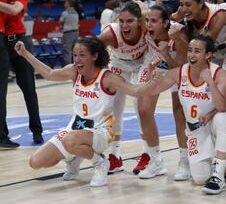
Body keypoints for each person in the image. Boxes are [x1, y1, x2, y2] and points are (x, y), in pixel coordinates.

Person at [14, 37, 151, 187]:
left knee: (70, 140)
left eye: (82, 55)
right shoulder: (74, 71)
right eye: (75, 55)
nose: (77, 59)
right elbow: (49, 73)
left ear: (95, 56)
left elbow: (136, 91)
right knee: (36, 162)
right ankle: (74, 159)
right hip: (76, 129)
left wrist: (153, 78)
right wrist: (25, 53)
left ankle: (100, 163)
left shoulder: (108, 78)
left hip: (101, 132)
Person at [146, 35, 226, 194]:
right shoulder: (179, 73)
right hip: (196, 130)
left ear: (208, 55)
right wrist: (151, 74)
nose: (191, 55)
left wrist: (211, 83)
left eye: (197, 51)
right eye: (190, 51)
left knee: (222, 117)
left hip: (216, 125)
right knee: (200, 178)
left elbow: (221, 106)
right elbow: (152, 90)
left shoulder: (219, 74)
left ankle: (219, 177)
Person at [132, 4, 190, 180]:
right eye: (147, 20)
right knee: (143, 110)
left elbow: (179, 66)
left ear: (166, 23)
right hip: (155, 63)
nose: (149, 24)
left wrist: (165, 52)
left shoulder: (179, 32)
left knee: (178, 111)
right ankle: (156, 162)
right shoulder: (144, 28)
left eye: (154, 21)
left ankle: (184, 161)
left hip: (177, 66)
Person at [98, 0, 149, 174]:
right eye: (122, 21)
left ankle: (147, 153)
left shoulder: (148, 26)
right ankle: (114, 155)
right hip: (119, 63)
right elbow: (94, 53)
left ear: (140, 21)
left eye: (130, 21)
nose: (125, 25)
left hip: (142, 64)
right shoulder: (110, 33)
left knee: (141, 108)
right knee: (113, 109)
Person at [0, 0, 43, 144]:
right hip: (2, 40)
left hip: (19, 41)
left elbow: (13, 9)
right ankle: (3, 133)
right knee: (1, 89)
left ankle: (37, 131)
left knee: (28, 88)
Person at [174, 0, 226, 94]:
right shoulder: (184, 11)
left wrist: (178, 39)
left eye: (188, 5)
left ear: (200, 3)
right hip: (213, 50)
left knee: (224, 93)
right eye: (181, 5)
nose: (184, 9)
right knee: (208, 94)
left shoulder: (218, 15)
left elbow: (204, 46)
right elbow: (170, 20)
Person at [60, 0, 79, 65]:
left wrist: (62, 24)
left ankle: (68, 67)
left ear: (68, 4)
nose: (64, 4)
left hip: (68, 33)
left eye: (65, 3)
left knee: (67, 51)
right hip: (76, 32)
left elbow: (61, 21)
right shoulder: (76, 12)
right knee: (75, 50)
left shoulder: (65, 13)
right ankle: (76, 65)